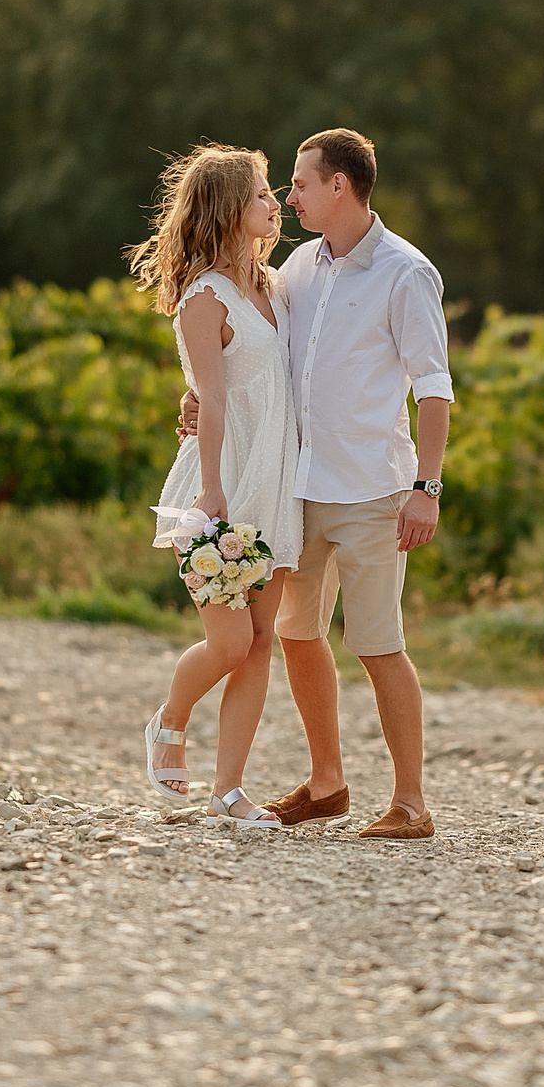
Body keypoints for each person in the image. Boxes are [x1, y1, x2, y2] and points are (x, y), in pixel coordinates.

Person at [185, 127, 451, 840]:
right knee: (297, 636)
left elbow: (434, 387)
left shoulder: (405, 272)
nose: (290, 196)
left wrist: (427, 487)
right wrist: (198, 395)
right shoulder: (298, 267)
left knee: (378, 643)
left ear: (340, 185)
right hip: (297, 489)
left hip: (372, 491)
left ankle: (411, 802)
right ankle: (328, 782)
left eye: (301, 183)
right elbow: (255, 353)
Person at [130, 145, 302, 828]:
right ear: (230, 208)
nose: (275, 203)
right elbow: (214, 397)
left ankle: (228, 791)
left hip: (278, 482)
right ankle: (169, 718)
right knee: (229, 644)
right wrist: (211, 492)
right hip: (222, 483)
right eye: (261, 193)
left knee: (260, 643)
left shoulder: (276, 286)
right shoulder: (204, 298)